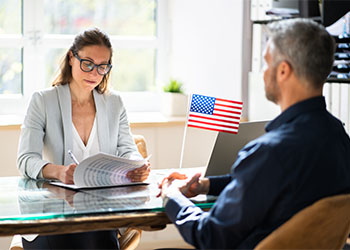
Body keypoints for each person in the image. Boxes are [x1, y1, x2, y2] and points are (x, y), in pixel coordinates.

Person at [158, 18, 350, 249]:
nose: (263, 72)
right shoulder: (338, 136)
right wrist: (207, 185)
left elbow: (209, 236)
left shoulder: (270, 151)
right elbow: (275, 183)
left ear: (283, 70)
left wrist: (172, 196)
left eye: (266, 63)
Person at [17, 27, 150, 249]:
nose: (94, 73)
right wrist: (59, 171)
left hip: (100, 213)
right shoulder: (42, 101)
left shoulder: (114, 103)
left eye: (102, 67)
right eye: (87, 63)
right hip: (52, 215)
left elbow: (128, 148)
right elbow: (25, 159)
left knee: (95, 234)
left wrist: (137, 164)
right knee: (78, 237)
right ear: (71, 58)